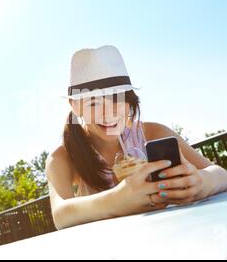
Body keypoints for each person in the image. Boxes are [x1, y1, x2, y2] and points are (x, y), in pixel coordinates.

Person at [45, 45, 227, 230]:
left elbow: (221, 174)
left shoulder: (153, 134)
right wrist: (118, 200)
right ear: (76, 106)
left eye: (117, 98)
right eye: (94, 103)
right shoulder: (63, 157)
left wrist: (201, 183)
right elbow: (61, 215)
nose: (109, 113)